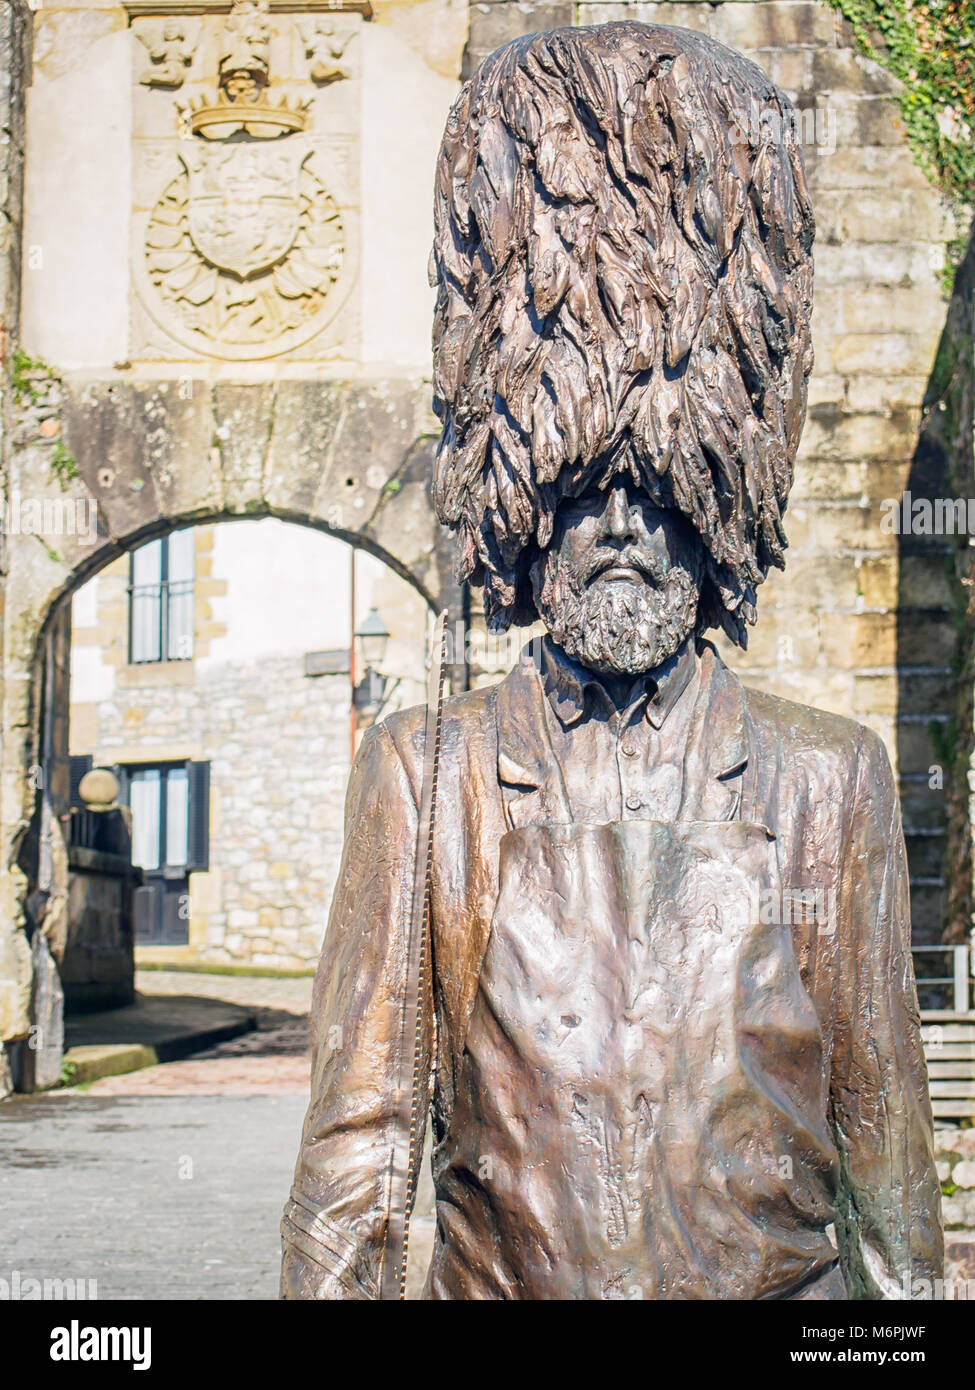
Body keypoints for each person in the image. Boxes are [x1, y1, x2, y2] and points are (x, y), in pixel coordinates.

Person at [281, 20, 943, 1300]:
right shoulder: (429, 776)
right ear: (527, 504)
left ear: (724, 496)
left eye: (663, 487)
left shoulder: (829, 781)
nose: (627, 529)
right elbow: (359, 1151)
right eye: (587, 488)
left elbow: (886, 1142)